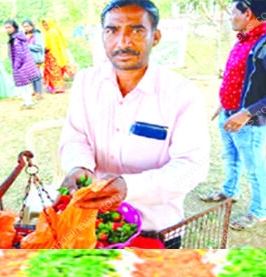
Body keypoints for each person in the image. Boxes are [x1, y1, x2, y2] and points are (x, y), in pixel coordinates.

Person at [58, 0, 210, 249]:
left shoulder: (181, 93)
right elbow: (76, 135)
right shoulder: (86, 82)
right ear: (103, 36)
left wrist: (129, 187)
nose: (123, 42)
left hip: (156, 228)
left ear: (156, 36)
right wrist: (79, 166)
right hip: (94, 224)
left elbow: (192, 167)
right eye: (113, 30)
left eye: (136, 30)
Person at [200, 0, 266, 231]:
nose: (230, 17)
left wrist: (246, 113)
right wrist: (224, 103)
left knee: (255, 168)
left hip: (248, 122)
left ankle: (259, 212)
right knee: (230, 157)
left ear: (247, 13)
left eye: (233, 12)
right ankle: (229, 191)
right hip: (229, 113)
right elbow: (237, 78)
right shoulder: (244, 40)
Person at [4, 20, 41, 109]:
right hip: (25, 64)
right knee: (24, 85)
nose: (7, 30)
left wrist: (16, 66)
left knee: (22, 85)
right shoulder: (19, 37)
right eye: (6, 28)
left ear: (15, 27)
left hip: (21, 65)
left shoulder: (16, 39)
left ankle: (28, 102)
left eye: (9, 27)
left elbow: (19, 54)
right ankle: (29, 101)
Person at [40, 18, 72, 93]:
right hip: (48, 55)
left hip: (54, 55)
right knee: (51, 72)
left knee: (55, 72)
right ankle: (53, 87)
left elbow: (53, 45)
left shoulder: (52, 32)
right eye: (43, 24)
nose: (45, 26)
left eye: (46, 24)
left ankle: (58, 88)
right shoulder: (45, 32)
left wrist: (45, 49)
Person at [22, 19, 45, 100]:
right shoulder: (24, 35)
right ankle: (35, 91)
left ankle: (40, 92)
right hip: (28, 59)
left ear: (32, 26)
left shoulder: (37, 34)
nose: (26, 28)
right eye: (24, 27)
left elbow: (39, 47)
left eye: (28, 26)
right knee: (32, 76)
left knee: (37, 76)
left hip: (36, 58)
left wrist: (27, 45)